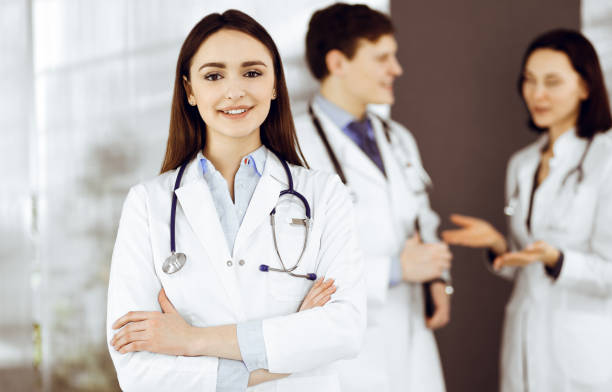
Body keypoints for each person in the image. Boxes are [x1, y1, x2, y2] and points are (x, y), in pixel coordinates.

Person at [106, 10, 366, 392]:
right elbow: (135, 368)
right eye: (213, 76)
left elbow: (344, 330)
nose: (234, 91)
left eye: (253, 73)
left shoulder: (324, 194)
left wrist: (191, 341)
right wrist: (281, 355)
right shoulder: (148, 204)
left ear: (275, 84)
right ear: (190, 91)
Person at [442, 29, 612, 391]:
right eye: (529, 81)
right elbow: (529, 267)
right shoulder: (522, 163)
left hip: (584, 351)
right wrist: (500, 248)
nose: (537, 94)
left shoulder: (606, 158)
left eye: (552, 81)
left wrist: (557, 259)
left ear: (585, 87)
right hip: (524, 345)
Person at [294, 4, 452, 391]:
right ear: (337, 62)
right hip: (348, 355)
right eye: (382, 58)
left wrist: (437, 278)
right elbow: (292, 264)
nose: (396, 69)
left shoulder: (398, 138)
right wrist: (394, 271)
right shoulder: (293, 148)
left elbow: (422, 217)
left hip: (413, 336)